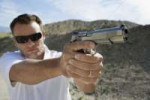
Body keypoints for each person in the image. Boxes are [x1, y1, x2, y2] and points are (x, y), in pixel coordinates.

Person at [0, 14, 103, 100]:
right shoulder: (8, 59)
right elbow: (20, 72)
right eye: (22, 39)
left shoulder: (60, 57)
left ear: (43, 35)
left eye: (35, 37)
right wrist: (62, 65)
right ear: (15, 42)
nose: (30, 43)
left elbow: (88, 89)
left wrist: (89, 71)